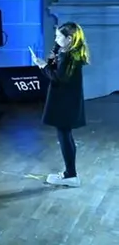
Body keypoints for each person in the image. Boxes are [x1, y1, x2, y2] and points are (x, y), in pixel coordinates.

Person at [31, 22, 88, 187]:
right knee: (65, 135)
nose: (55, 39)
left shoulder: (67, 56)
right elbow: (55, 66)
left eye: (58, 37)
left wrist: (42, 65)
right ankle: (70, 173)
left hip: (64, 102)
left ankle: (71, 175)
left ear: (69, 39)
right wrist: (56, 47)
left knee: (64, 136)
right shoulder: (72, 52)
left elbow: (57, 77)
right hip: (69, 100)